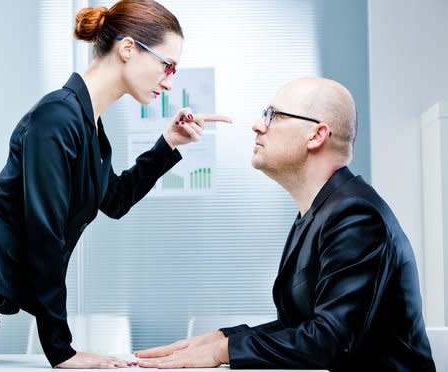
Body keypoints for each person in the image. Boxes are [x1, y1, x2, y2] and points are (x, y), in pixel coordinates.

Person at [0, 1, 232, 371]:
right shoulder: (58, 116)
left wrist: (167, 144)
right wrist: (62, 351)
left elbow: (115, 200)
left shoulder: (88, 123)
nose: (170, 81)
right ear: (127, 49)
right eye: (167, 65)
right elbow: (45, 233)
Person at [136, 77, 436, 371]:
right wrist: (224, 338)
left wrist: (223, 352)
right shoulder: (321, 210)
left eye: (274, 116)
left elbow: (328, 341)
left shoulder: (356, 216)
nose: (257, 125)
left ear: (317, 135)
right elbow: (301, 326)